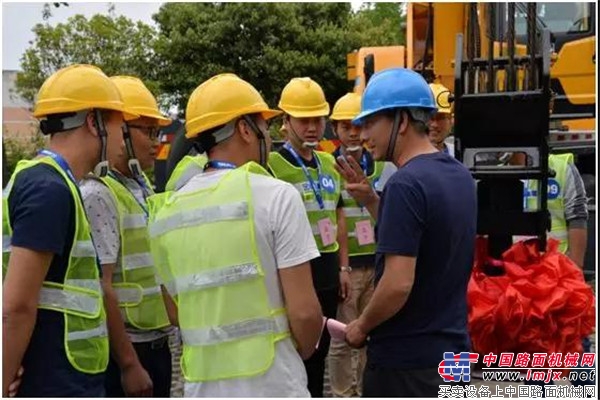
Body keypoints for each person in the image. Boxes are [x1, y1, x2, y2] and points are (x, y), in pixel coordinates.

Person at [146, 73, 323, 397]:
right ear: (244, 128)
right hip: (274, 385)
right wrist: (304, 348)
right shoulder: (277, 196)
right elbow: (305, 313)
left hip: (201, 387)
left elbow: (175, 312)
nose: (269, 139)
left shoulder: (166, 211)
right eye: (264, 128)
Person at [337, 68, 477, 397]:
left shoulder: (405, 184)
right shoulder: (458, 175)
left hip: (409, 366)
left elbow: (398, 284)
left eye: (371, 122)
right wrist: (372, 199)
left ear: (401, 121)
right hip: (455, 355)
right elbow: (430, 236)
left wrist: (361, 326)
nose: (363, 133)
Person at [2, 64, 135, 396]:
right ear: (94, 122)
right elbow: (16, 306)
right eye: (121, 125)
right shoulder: (49, 190)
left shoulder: (57, 185)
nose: (124, 139)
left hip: (66, 377)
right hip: (52, 380)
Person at [79, 75, 175, 397]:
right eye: (148, 131)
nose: (156, 141)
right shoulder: (99, 194)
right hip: (130, 350)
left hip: (155, 342)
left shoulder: (141, 185)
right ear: (120, 130)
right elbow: (101, 285)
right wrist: (129, 365)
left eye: (157, 131)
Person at [268, 77, 351, 397]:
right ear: (285, 122)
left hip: (328, 269)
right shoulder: (272, 166)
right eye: (304, 120)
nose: (313, 127)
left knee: (321, 352)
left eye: (318, 119)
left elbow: (339, 215)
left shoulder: (330, 164)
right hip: (294, 270)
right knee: (295, 353)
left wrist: (343, 268)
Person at [327, 92, 396, 397]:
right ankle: (344, 392)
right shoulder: (328, 167)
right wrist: (342, 266)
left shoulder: (383, 164)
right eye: (345, 127)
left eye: (358, 125)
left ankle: (368, 389)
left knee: (374, 334)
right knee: (343, 337)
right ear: (336, 131)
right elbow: (335, 216)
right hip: (349, 266)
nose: (353, 133)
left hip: (378, 261)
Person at [428, 83, 455, 156]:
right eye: (429, 117)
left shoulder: (459, 156)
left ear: (451, 121)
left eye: (441, 117)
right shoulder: (401, 159)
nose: (434, 124)